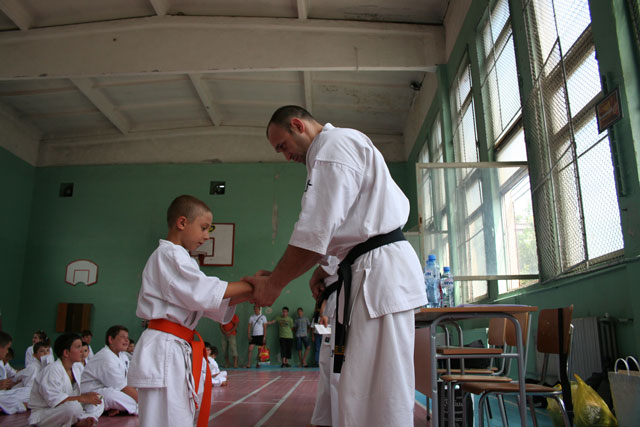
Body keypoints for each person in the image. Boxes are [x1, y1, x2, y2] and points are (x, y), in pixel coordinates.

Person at [244, 105, 427, 426]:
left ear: (298, 125)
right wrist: (315, 270)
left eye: (283, 146)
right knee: (352, 382)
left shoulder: (333, 145)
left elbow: (316, 230)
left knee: (379, 388)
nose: (285, 156)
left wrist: (274, 285)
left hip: (379, 274)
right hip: (361, 270)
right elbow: (337, 231)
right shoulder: (326, 154)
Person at [127, 194, 253, 427]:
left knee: (179, 419)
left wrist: (251, 293)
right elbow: (202, 291)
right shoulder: (169, 254)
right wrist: (254, 286)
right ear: (182, 223)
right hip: (164, 348)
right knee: (166, 421)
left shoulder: (182, 258)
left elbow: (207, 301)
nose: (207, 236)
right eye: (204, 228)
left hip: (175, 347)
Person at [28, 332, 104, 427]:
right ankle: (77, 421)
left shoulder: (76, 367)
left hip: (67, 407)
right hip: (46, 413)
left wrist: (88, 396)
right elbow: (54, 400)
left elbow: (73, 395)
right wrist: (83, 398)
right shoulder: (53, 370)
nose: (82, 350)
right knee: (73, 407)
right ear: (66, 353)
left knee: (99, 398)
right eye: (78, 347)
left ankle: (81, 419)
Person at [80, 325, 138, 416]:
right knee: (112, 396)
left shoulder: (122, 356)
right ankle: (138, 408)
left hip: (112, 387)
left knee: (139, 390)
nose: (127, 340)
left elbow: (127, 382)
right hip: (92, 393)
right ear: (111, 339)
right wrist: (144, 402)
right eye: (123, 337)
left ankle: (118, 408)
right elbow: (123, 387)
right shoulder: (106, 357)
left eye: (127, 337)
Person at [310, 258, 341, 427]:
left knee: (337, 368)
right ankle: (324, 419)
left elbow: (332, 264)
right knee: (326, 364)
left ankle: (338, 420)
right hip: (332, 304)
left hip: (342, 302)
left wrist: (314, 278)